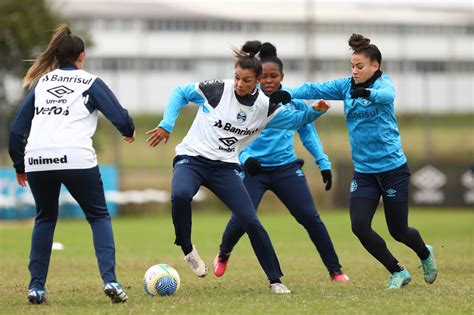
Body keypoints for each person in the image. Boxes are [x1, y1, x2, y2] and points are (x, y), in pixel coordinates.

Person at [146, 40, 330, 294]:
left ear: (256, 80)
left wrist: (316, 111)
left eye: (246, 80)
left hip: (225, 168)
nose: (240, 85)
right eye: (237, 78)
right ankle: (187, 248)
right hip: (193, 158)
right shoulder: (218, 90)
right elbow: (179, 92)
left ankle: (276, 280)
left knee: (250, 221)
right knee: (179, 195)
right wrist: (167, 124)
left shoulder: (265, 108)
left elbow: (298, 120)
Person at [272, 34, 438, 289]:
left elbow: (387, 95)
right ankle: (398, 271)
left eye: (360, 66)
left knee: (399, 231)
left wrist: (368, 93)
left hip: (393, 169)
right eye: (352, 66)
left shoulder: (384, 84)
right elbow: (313, 88)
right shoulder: (345, 86)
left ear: (375, 65)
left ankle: (424, 253)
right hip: (364, 173)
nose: (355, 71)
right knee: (359, 226)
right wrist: (286, 92)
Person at [9, 25, 135, 304]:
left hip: (38, 158)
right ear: (82, 56)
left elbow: (17, 129)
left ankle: (36, 288)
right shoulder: (90, 81)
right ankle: (110, 281)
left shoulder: (42, 83)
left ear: (57, 56)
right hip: (76, 156)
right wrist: (128, 130)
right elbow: (119, 116)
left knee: (45, 217)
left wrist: (20, 164)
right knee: (98, 216)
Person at [213, 42, 349, 282]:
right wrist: (245, 159)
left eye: (273, 76)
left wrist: (323, 162)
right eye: (263, 76)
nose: (268, 81)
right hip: (253, 170)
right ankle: (224, 252)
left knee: (310, 217)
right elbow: (233, 138)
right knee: (243, 218)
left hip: (286, 169)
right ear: (255, 78)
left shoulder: (292, 102)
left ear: (282, 77)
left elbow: (307, 133)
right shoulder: (246, 103)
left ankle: (335, 270)